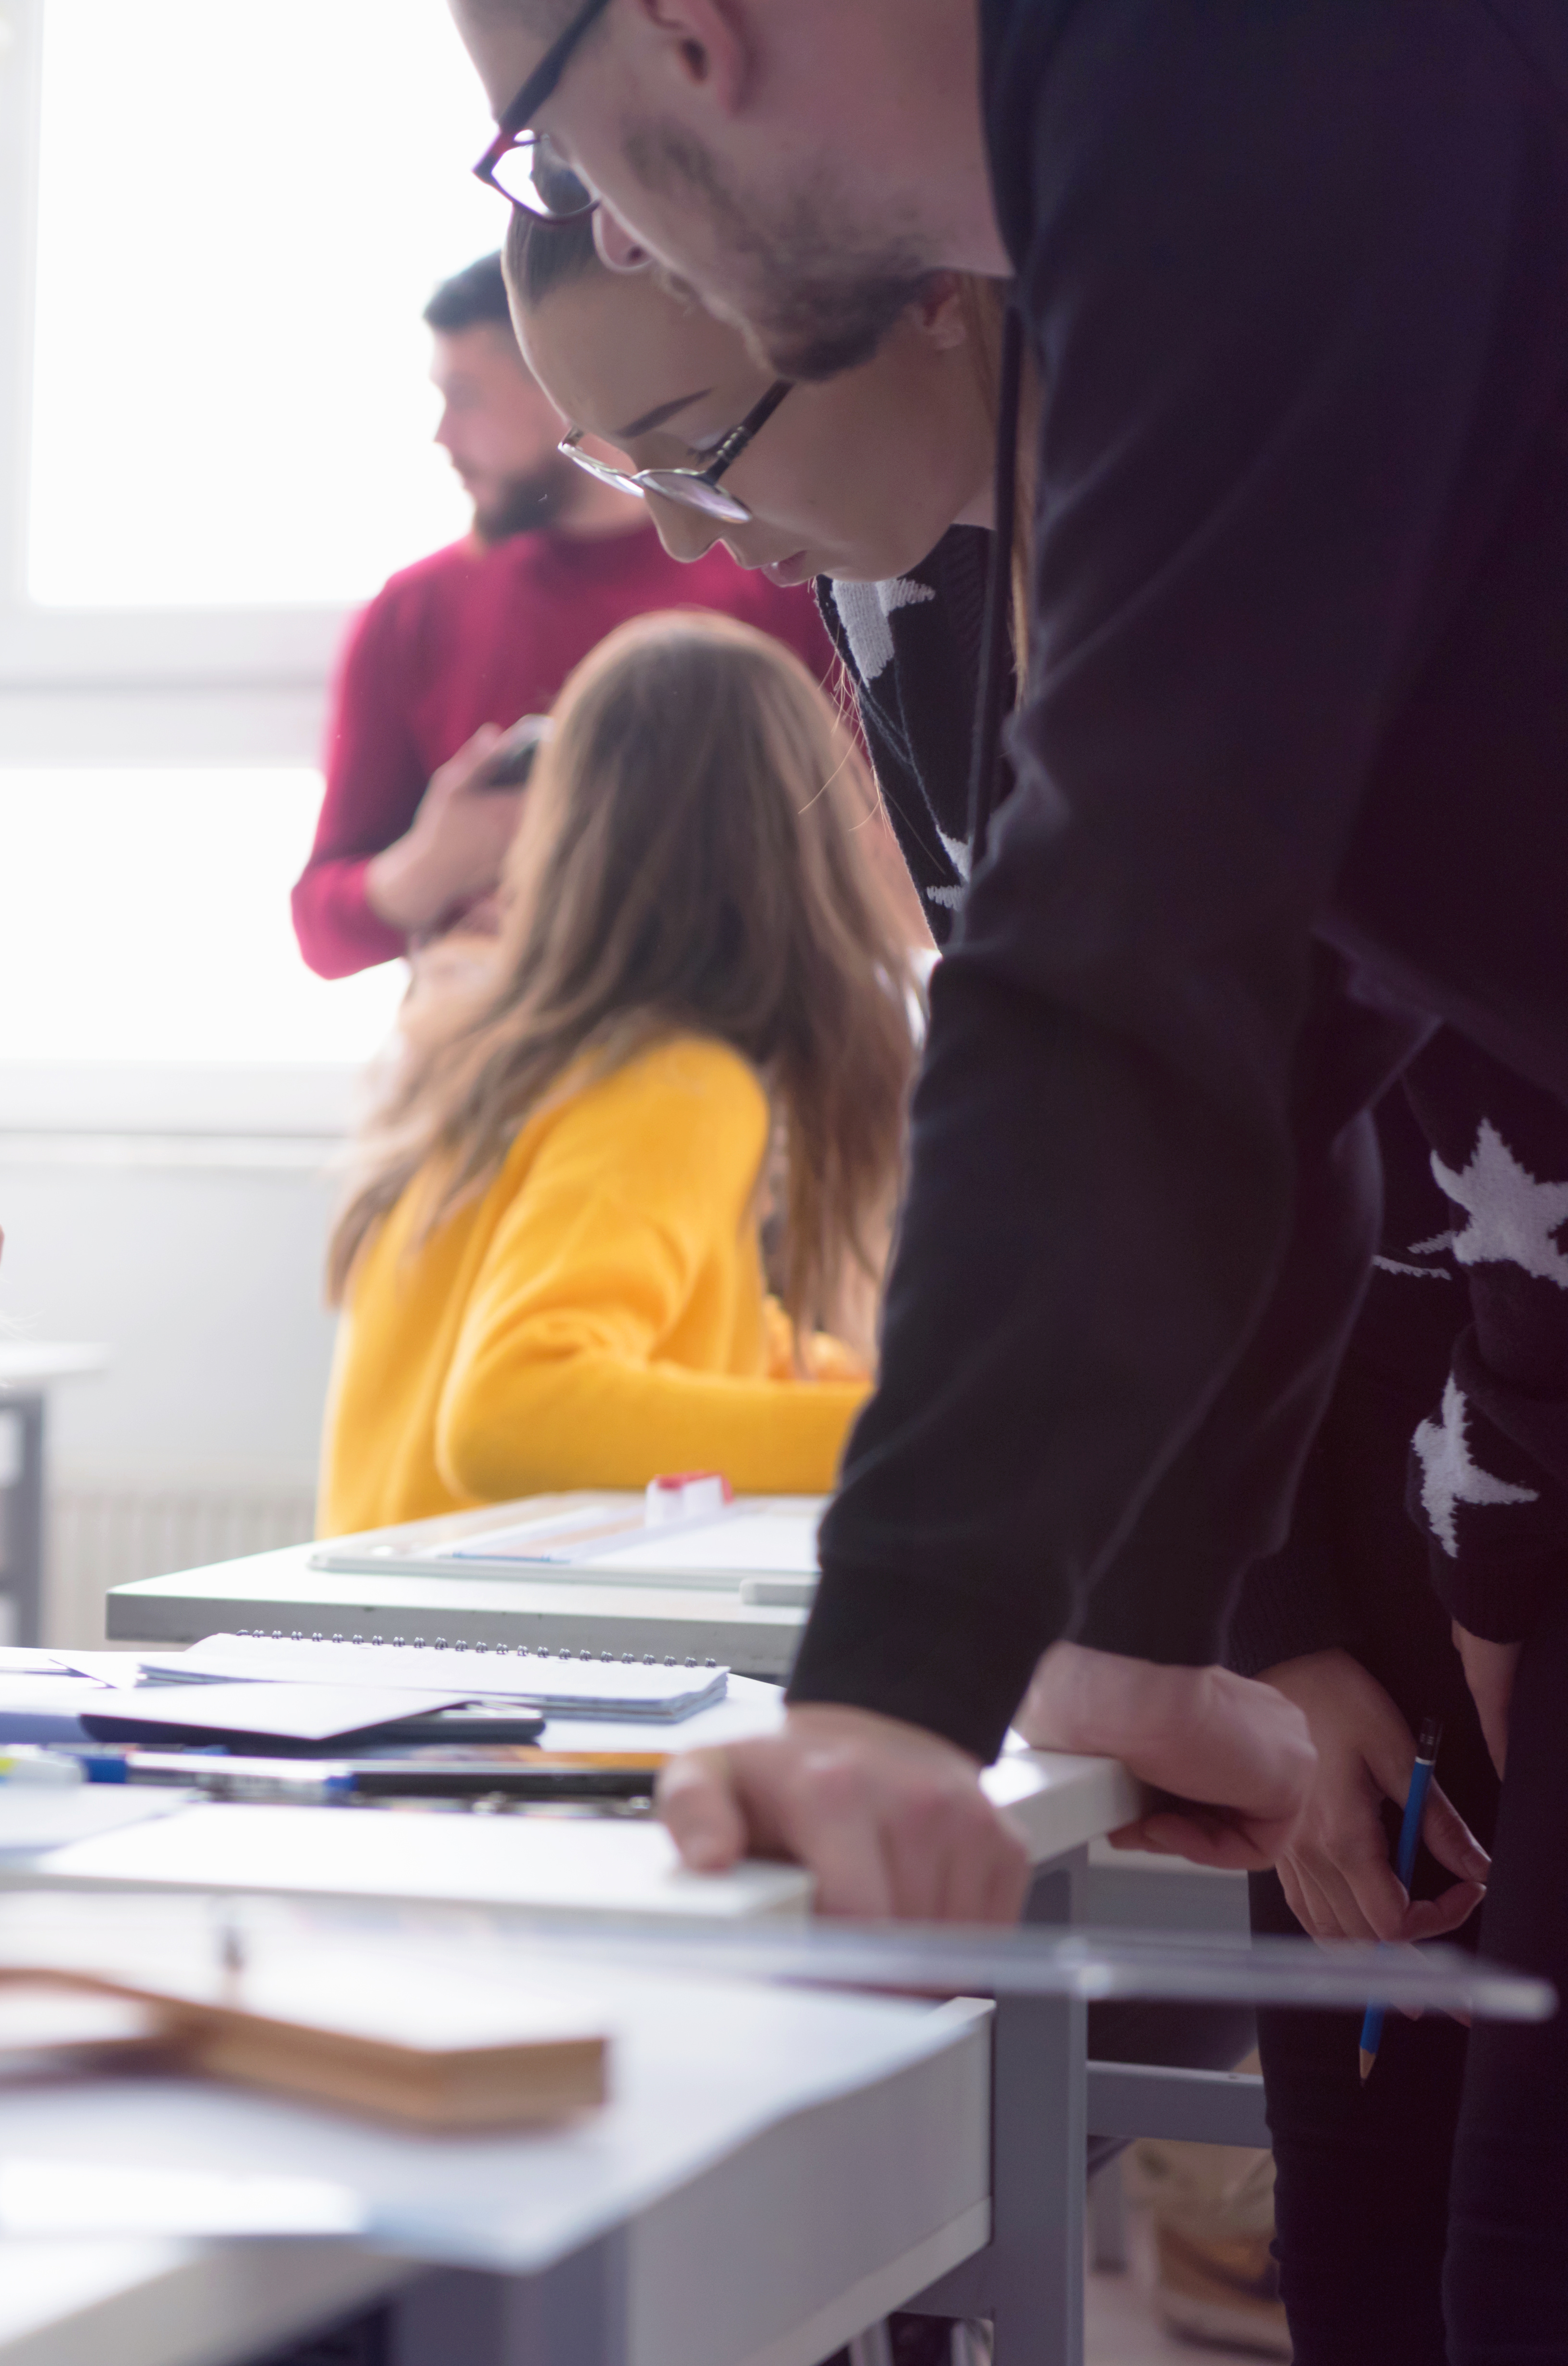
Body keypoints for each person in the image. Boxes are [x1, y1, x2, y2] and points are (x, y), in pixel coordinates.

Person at [446, 0, 1568, 2341]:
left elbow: (1124, 947)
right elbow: (1268, 1024)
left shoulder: (1237, 70)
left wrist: (887, 1677)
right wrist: (1132, 1617)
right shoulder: (1158, 175)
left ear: (680, 33)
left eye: (541, 142)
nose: (590, 210)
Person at [316, 609, 913, 1539]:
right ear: (809, 849)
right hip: (486, 1666)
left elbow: (684, 1328)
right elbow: (517, 1408)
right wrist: (902, 1436)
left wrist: (874, 1386)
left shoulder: (512, 1064)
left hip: (378, 1655)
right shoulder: (676, 1087)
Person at [290, 252, 831, 982]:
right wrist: (434, 866)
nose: (442, 437)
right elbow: (323, 935)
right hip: (500, 1069)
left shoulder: (773, 575)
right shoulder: (413, 613)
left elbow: (873, 862)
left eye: (466, 396)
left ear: (560, 385)